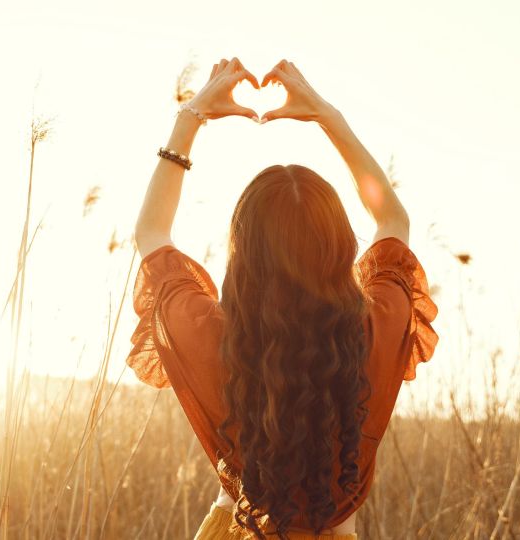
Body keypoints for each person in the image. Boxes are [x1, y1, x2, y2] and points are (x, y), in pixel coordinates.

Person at [129, 57, 439, 539]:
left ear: (243, 258)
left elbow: (151, 232)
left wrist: (189, 118)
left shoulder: (212, 337)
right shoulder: (373, 331)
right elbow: (393, 222)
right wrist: (327, 118)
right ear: (339, 248)